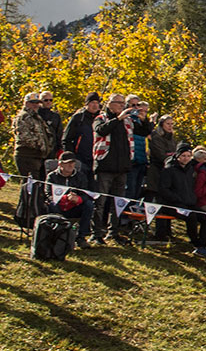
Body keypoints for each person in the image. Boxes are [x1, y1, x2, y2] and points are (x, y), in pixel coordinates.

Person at [91, 93, 148, 243]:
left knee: (117, 202)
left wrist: (144, 120)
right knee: (100, 201)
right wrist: (118, 119)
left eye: (124, 104)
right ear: (110, 104)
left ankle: (113, 231)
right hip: (104, 166)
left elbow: (144, 132)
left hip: (122, 167)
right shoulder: (100, 118)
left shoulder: (128, 121)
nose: (123, 106)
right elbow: (101, 131)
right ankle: (96, 233)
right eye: (119, 103)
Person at [159, 142, 206, 260]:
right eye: (183, 156)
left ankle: (202, 244)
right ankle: (196, 244)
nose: (186, 158)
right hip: (172, 204)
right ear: (178, 156)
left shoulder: (190, 169)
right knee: (192, 217)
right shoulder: (169, 169)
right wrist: (177, 199)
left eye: (188, 156)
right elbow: (164, 189)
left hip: (188, 203)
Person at [44, 152, 96, 249]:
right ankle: (57, 233)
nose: (71, 165)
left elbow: (86, 193)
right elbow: (48, 194)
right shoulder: (52, 176)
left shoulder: (80, 176)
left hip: (74, 206)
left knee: (89, 205)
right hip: (58, 206)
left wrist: (78, 199)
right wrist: (64, 198)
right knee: (52, 204)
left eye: (73, 163)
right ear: (60, 164)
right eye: (68, 163)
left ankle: (81, 237)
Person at [12, 93, 55, 181]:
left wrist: (48, 146)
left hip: (36, 155)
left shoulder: (36, 117)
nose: (35, 105)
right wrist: (40, 146)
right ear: (26, 103)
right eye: (32, 103)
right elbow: (24, 136)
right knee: (28, 183)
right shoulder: (23, 116)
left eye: (37, 103)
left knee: (35, 184)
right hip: (26, 154)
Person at [61, 93, 101, 171]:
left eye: (97, 103)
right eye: (92, 103)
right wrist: (72, 158)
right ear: (87, 104)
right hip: (80, 159)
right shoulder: (78, 118)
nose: (95, 105)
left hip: (97, 159)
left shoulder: (101, 118)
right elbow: (66, 139)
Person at [146, 114, 177, 200]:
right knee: (152, 192)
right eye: (168, 124)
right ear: (162, 124)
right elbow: (160, 154)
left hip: (167, 170)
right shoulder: (157, 137)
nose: (170, 126)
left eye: (172, 124)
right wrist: (170, 158)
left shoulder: (172, 138)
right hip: (156, 168)